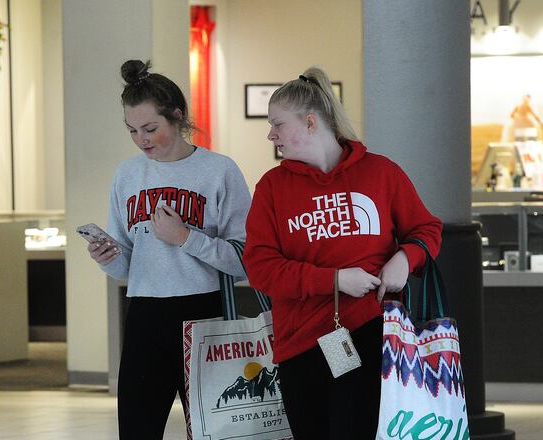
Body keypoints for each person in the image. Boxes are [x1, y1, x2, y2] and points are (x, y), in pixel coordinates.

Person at [242, 67, 442, 439]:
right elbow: (260, 268)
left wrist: (405, 258)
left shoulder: (380, 173)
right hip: (299, 341)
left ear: (311, 122)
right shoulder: (272, 188)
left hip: (372, 332)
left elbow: (426, 229)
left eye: (278, 124)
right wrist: (334, 280)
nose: (271, 134)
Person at [87, 59, 251, 438]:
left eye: (150, 128)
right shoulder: (127, 174)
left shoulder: (219, 170)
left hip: (204, 313)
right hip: (144, 312)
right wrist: (108, 258)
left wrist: (186, 238)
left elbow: (245, 259)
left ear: (177, 117)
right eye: (132, 130)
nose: (141, 139)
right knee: (136, 429)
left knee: (213, 431)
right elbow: (127, 265)